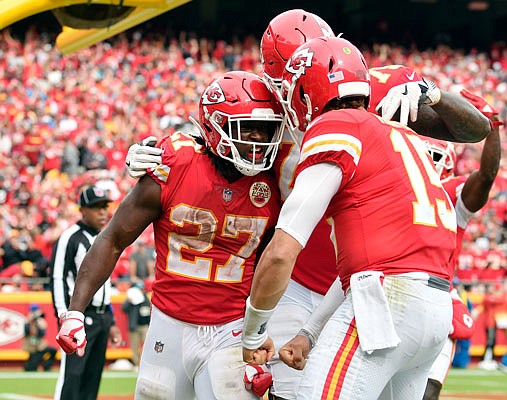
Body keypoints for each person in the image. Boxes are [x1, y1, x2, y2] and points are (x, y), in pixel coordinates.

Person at [125, 10, 491, 400]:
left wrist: (433, 93)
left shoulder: (377, 88)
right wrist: (162, 149)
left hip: (361, 276)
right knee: (291, 389)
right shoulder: (265, 110)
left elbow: (475, 129)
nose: (296, 88)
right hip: (301, 282)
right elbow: (215, 135)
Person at [241, 36, 457, 400]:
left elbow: (282, 250)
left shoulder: (338, 126)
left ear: (307, 94)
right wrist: (310, 334)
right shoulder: (401, 136)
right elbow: (357, 273)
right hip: (434, 309)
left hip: (385, 302)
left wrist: (252, 332)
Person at [55, 71, 284, 400]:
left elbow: (278, 261)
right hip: (169, 324)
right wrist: (75, 311)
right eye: (246, 127)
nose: (257, 139)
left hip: (232, 329)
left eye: (264, 129)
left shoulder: (277, 180)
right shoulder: (175, 163)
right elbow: (113, 238)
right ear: (214, 126)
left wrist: (262, 330)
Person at [421, 88, 502, 399]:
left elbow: (486, 175)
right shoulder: (391, 185)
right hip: (388, 292)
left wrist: (492, 126)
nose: (428, 164)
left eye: (435, 157)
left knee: (426, 394)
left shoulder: (451, 193)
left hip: (435, 295)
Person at [50, 185, 122, 400]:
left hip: (100, 317)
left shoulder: (104, 238)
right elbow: (58, 277)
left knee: (92, 379)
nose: (102, 212)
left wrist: (110, 321)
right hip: (80, 317)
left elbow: (104, 286)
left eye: (104, 207)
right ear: (82, 210)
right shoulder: (71, 237)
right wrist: (65, 317)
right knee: (72, 377)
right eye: (96, 207)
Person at [122, 281, 151, 368]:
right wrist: (129, 301)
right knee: (134, 347)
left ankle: (146, 364)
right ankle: (136, 364)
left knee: (147, 346)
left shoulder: (145, 299)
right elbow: (124, 308)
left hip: (144, 326)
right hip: (134, 327)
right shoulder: (131, 299)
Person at [22, 304, 57, 372]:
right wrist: (29, 323)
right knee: (31, 368)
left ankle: (47, 366)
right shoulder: (27, 321)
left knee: (53, 351)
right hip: (32, 348)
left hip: (40, 347)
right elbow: (26, 333)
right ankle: (30, 365)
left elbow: (42, 334)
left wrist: (41, 326)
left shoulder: (41, 321)